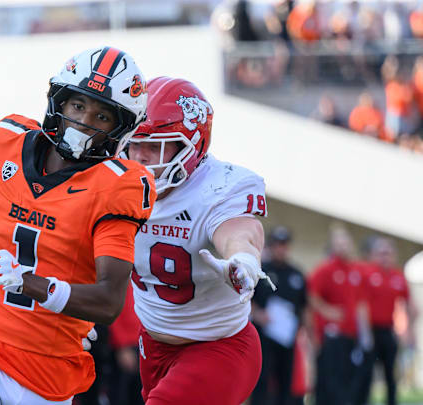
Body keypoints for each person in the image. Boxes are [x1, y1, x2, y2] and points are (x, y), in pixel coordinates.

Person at [0, 46, 153, 405]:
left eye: (102, 117)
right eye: (78, 106)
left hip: (48, 368)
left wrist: (32, 283)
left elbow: (108, 301)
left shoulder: (117, 186)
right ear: (58, 102)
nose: (85, 120)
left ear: (120, 129)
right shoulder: (5, 142)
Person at [124, 76, 274, 405]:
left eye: (155, 146)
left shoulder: (219, 187)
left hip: (219, 347)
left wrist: (243, 261)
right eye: (135, 142)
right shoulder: (116, 181)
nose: (142, 156)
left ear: (190, 146)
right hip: (152, 346)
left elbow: (241, 233)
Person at [308, 224, 365, 405]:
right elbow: (311, 296)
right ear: (333, 246)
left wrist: (364, 334)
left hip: (351, 335)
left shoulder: (356, 270)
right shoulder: (325, 269)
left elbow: (361, 303)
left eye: (345, 243)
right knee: (331, 383)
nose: (343, 247)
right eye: (338, 244)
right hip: (332, 336)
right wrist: (328, 311)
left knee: (349, 380)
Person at [250, 226, 308, 405]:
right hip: (263, 337)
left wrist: (302, 330)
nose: (281, 249)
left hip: (287, 338)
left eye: (284, 245)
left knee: (286, 381)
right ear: (271, 246)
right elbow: (245, 298)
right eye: (277, 244)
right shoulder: (260, 270)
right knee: (261, 381)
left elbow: (304, 306)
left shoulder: (296, 274)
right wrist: (257, 314)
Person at [355, 237, 416, 405]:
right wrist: (365, 334)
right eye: (381, 253)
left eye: (388, 253)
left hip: (388, 330)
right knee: (366, 374)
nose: (385, 257)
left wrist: (409, 331)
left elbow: (410, 305)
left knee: (391, 374)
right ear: (374, 255)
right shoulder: (368, 273)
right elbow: (361, 305)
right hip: (371, 329)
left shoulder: (397, 276)